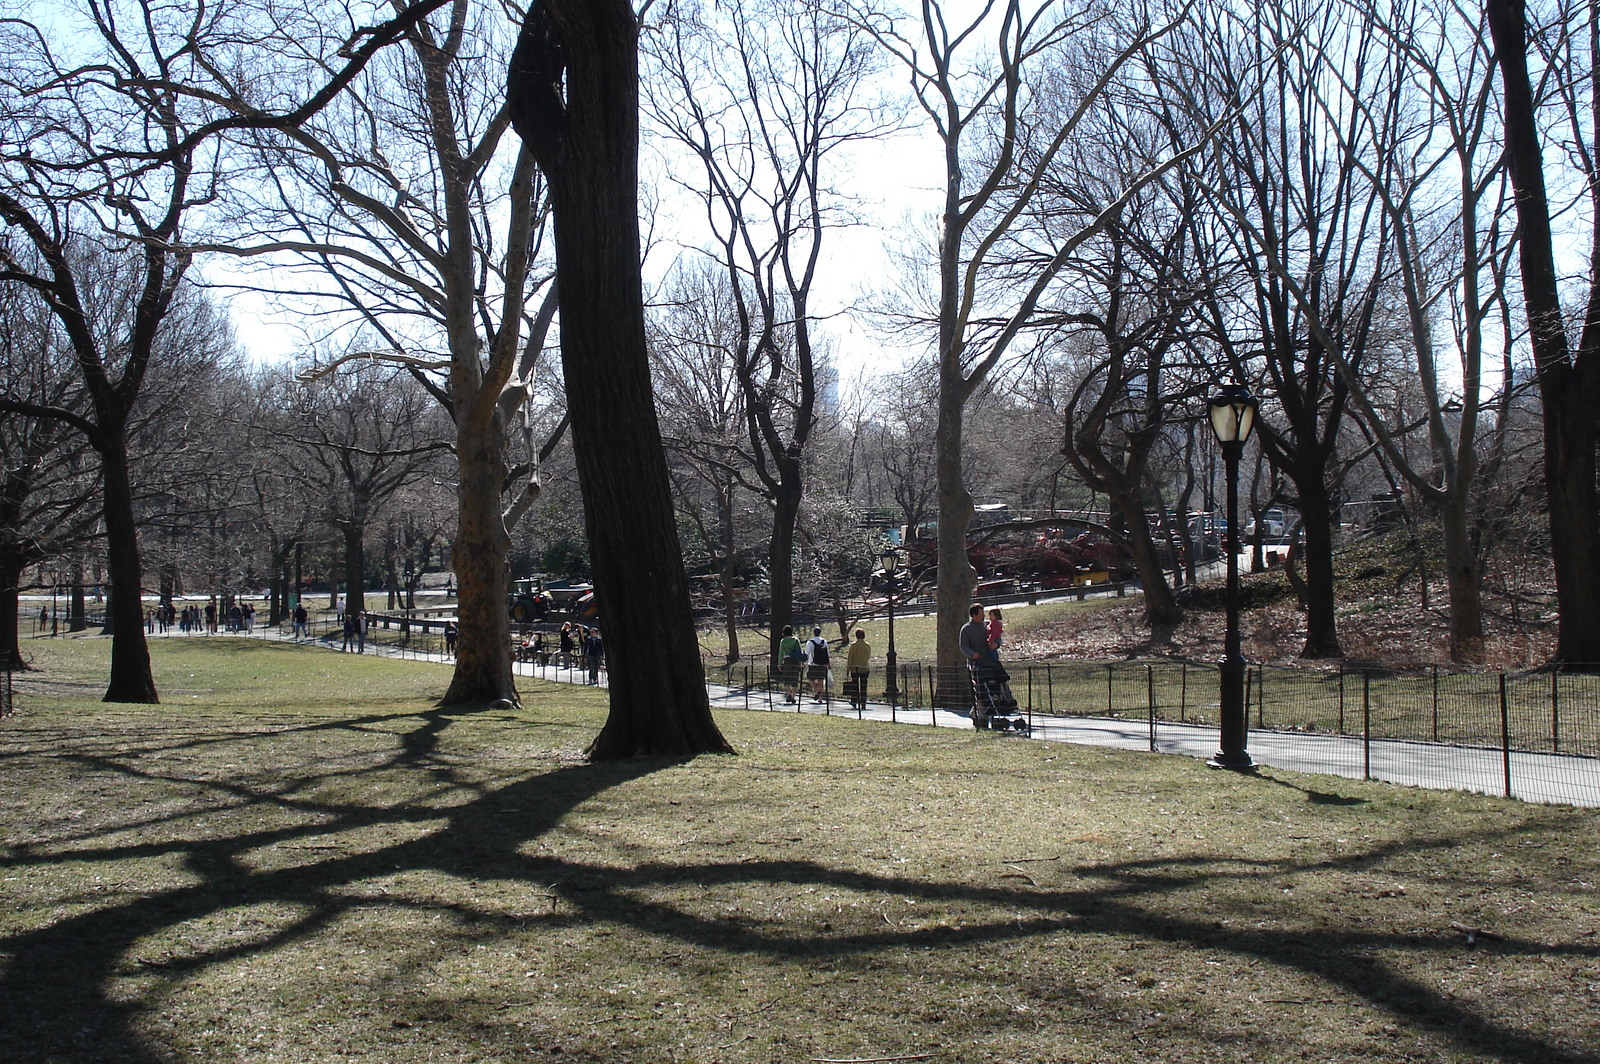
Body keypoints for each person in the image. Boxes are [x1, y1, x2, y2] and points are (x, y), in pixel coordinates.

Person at [845, 628, 872, 711]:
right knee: (864, 686)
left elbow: (850, 658)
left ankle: (854, 701)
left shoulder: (854, 646)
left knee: (855, 686)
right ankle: (863, 703)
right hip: (865, 668)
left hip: (855, 668)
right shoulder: (867, 645)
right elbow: (868, 656)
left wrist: (848, 670)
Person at [776, 625, 803, 704]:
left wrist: (779, 664)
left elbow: (781, 653)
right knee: (795, 678)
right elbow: (799, 651)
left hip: (787, 660)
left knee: (786, 678)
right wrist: (801, 661)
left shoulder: (783, 641)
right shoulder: (796, 640)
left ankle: (789, 693)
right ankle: (794, 696)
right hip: (795, 661)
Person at [804, 627, 831, 703]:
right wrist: (828, 663)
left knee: (810, 679)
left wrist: (804, 661)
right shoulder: (824, 641)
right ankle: (820, 698)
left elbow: (807, 653)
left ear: (813, 633)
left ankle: (817, 691)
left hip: (813, 664)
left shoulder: (810, 642)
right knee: (821, 681)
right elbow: (827, 653)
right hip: (823, 664)